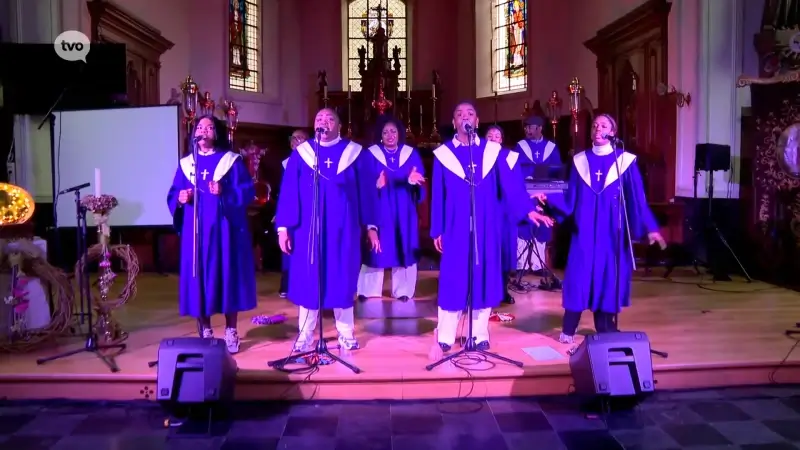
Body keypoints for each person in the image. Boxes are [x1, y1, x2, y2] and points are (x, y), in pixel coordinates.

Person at [430, 102, 553, 353]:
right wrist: (437, 229)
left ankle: (479, 333)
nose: (465, 117)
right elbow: (438, 195)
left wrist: (527, 209)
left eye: (470, 114)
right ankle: (446, 334)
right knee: (454, 278)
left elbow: (511, 186)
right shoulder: (443, 154)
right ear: (454, 122)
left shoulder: (492, 152)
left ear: (477, 122)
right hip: (454, 225)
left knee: (483, 276)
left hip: (486, 225)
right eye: (459, 113)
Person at [539, 114, 666, 344]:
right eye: (595, 125)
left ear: (613, 132)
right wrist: (548, 198)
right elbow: (569, 200)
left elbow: (637, 199)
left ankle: (605, 326)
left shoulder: (624, 161)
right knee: (579, 276)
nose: (598, 128)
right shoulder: (580, 162)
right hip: (585, 231)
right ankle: (569, 326)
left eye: (604, 125)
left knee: (609, 277)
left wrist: (650, 227)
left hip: (611, 232)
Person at [276, 108, 381, 352]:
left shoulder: (354, 154)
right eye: (319, 118)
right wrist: (284, 228)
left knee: (341, 279)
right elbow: (289, 192)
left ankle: (345, 333)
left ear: (339, 126)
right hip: (307, 230)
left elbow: (367, 193)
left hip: (343, 230)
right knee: (308, 279)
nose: (323, 121)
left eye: (329, 118)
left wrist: (371, 226)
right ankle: (305, 335)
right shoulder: (302, 154)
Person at [166, 115, 257, 354]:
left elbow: (247, 191)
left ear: (216, 133)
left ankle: (231, 330)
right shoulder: (187, 163)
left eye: (209, 127)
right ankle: (205, 329)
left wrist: (225, 190)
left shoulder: (231, 161)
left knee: (227, 276)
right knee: (200, 278)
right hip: (196, 233)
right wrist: (180, 198)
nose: (203, 131)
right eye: (200, 127)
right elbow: (174, 192)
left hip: (224, 232)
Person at [357, 116, 425, 302]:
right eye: (385, 132)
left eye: (393, 131)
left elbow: (420, 184)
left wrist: (413, 183)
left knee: (403, 247)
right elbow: (362, 185)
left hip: (404, 211)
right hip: (379, 209)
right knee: (376, 248)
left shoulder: (411, 154)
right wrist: (376, 185)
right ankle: (368, 290)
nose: (389, 135)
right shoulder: (370, 154)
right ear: (380, 134)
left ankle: (403, 290)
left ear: (399, 134)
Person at [515, 116, 562, 274]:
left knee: (542, 225)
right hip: (525, 191)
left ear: (540, 128)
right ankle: (522, 265)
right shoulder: (520, 146)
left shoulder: (551, 147)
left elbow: (557, 170)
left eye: (531, 127)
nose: (527, 130)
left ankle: (537, 265)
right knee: (524, 223)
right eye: (526, 127)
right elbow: (515, 169)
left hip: (544, 192)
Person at [485, 124, 516, 305]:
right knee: (488, 251)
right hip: (487, 210)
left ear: (502, 140)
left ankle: (503, 290)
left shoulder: (511, 157)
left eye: (497, 135)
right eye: (490, 135)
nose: (494, 138)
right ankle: (487, 291)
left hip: (505, 211)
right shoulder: (478, 156)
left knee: (504, 252)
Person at [278, 129, 309, 299]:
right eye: (295, 138)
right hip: (289, 209)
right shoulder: (285, 163)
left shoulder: (313, 161)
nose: (297, 141)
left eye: (301, 138)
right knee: (288, 250)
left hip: (305, 211)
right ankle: (286, 285)